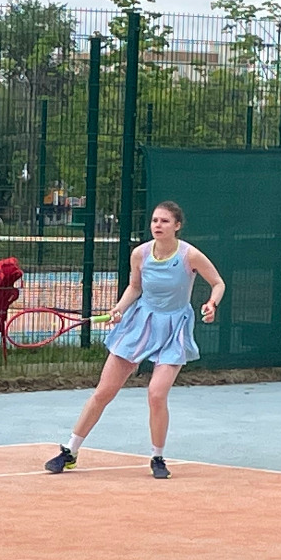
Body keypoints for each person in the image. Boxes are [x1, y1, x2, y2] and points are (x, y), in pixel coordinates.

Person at [46, 200, 225, 479]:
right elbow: (135, 287)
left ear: (177, 226)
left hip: (175, 327)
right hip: (140, 323)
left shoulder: (190, 255)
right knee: (104, 392)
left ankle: (157, 457)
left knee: (156, 394)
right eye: (155, 220)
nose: (158, 225)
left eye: (165, 221)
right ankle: (70, 451)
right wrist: (119, 308)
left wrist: (212, 303)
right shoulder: (140, 254)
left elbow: (218, 282)